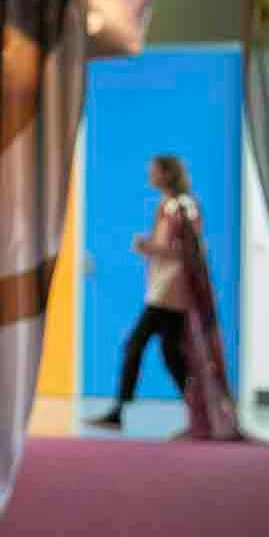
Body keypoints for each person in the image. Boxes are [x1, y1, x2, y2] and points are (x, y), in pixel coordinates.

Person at [91, 155, 195, 429]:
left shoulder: (182, 206)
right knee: (171, 354)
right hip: (162, 286)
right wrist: (151, 247)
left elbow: (188, 250)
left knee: (135, 345)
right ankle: (199, 410)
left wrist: (150, 248)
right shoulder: (167, 205)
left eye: (154, 171)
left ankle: (118, 411)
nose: (150, 175)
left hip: (170, 290)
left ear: (167, 174)